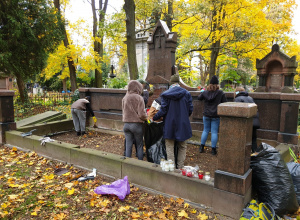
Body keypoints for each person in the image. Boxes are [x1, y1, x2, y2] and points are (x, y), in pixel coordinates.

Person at [151, 74, 193, 169]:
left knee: (169, 147)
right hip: (183, 124)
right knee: (182, 146)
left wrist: (154, 117)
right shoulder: (186, 93)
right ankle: (180, 167)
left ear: (170, 83)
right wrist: (184, 117)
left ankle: (172, 168)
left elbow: (163, 110)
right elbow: (190, 109)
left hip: (170, 125)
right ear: (178, 83)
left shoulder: (166, 94)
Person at [198, 75, 227, 155]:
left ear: (209, 85)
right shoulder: (220, 93)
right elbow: (225, 102)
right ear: (217, 85)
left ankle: (201, 147)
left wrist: (202, 91)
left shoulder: (205, 92)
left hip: (206, 114)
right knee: (214, 132)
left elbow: (199, 98)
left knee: (205, 130)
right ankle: (213, 150)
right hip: (216, 115)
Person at [122, 80, 148, 160]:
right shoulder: (139, 98)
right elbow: (142, 114)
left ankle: (127, 164)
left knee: (128, 145)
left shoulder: (125, 98)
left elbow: (123, 111)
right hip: (136, 125)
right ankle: (139, 164)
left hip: (126, 125)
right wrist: (146, 118)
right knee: (139, 145)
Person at [234, 87, 260, 152]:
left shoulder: (237, 99)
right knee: (253, 139)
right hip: (254, 121)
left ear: (236, 92)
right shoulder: (250, 98)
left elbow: (237, 112)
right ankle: (255, 154)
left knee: (243, 139)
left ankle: (243, 154)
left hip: (244, 122)